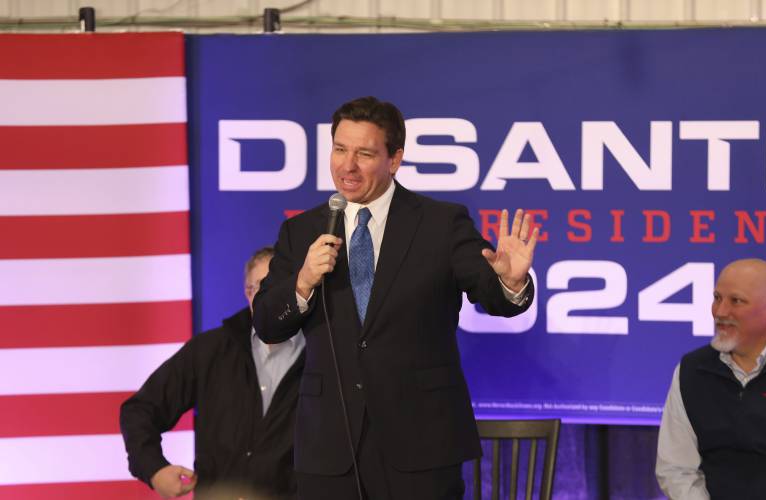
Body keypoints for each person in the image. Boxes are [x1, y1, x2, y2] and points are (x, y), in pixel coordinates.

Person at [253, 96, 538, 500]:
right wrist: (302, 282)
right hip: (330, 449)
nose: (347, 166)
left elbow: (489, 293)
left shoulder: (441, 224)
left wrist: (510, 282)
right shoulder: (301, 233)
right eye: (339, 149)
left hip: (421, 444)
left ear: (395, 159)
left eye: (364, 153)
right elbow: (267, 323)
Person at [120, 247, 305, 500]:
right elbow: (140, 410)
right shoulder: (210, 351)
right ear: (247, 293)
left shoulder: (325, 354)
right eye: (259, 287)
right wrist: (154, 470)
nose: (267, 295)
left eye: (277, 285)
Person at [656, 258, 766, 500]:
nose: (720, 312)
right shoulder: (692, 370)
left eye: (736, 301)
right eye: (717, 298)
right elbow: (676, 467)